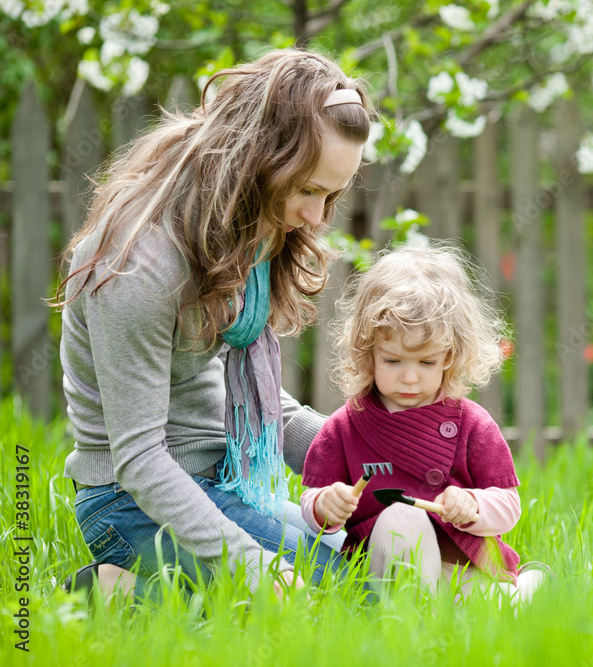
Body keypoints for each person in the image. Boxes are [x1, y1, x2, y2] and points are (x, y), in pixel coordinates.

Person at [55, 48, 376, 600]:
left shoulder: (240, 231)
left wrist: (379, 451)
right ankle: (112, 595)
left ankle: (166, 596)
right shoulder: (138, 268)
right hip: (129, 501)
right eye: (307, 190)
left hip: (218, 476)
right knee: (344, 598)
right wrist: (250, 567)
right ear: (256, 160)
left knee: (375, 563)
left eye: (331, 195)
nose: (318, 218)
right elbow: (139, 461)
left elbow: (264, 409)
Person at [298, 243, 543, 602]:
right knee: (400, 520)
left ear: (451, 355)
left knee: (495, 612)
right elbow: (312, 498)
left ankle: (524, 592)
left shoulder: (471, 424)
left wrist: (473, 505)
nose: (410, 379)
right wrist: (323, 505)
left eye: (426, 363)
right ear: (368, 353)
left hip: (463, 569)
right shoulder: (345, 427)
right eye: (394, 361)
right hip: (384, 569)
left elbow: (508, 506)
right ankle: (413, 634)